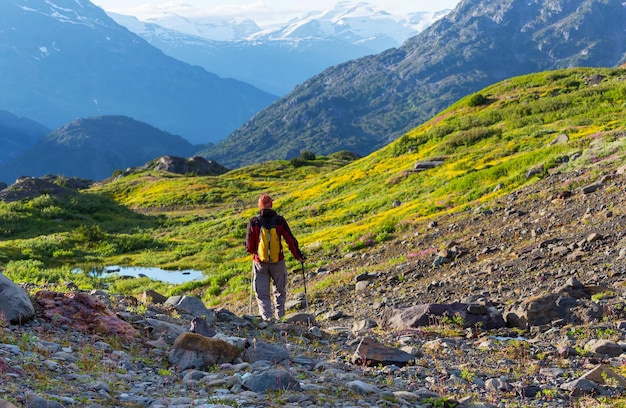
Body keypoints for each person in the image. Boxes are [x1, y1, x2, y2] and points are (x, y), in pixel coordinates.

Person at [245, 194, 305, 321]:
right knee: (279, 291)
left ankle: (267, 319)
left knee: (262, 293)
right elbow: (290, 240)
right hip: (278, 261)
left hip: (260, 262)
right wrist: (298, 256)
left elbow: (249, 248)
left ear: (259, 205)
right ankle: (280, 317)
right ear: (271, 204)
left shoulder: (253, 222)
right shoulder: (279, 220)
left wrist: (254, 251)